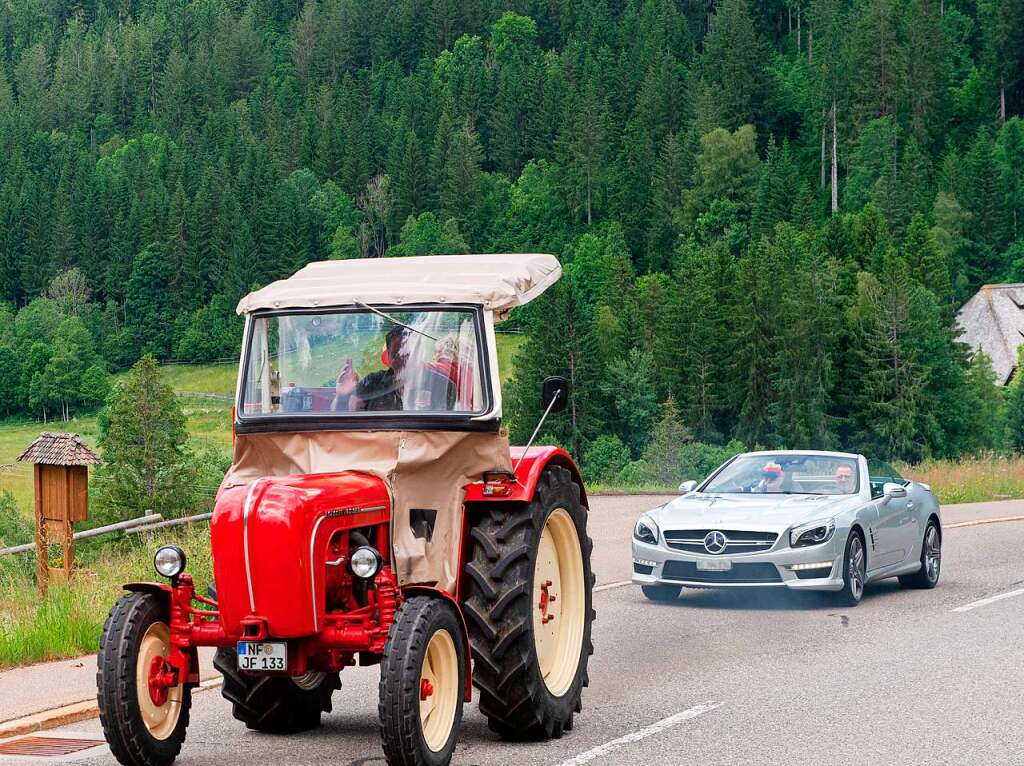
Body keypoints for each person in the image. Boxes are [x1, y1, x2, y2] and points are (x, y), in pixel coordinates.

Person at [331, 326, 410, 412]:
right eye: (395, 353)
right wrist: (342, 396)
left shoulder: (426, 380)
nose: (400, 358)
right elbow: (342, 414)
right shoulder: (373, 381)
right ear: (388, 356)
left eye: (406, 352)